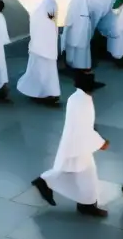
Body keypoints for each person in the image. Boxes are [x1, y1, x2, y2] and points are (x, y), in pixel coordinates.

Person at [31, 73, 110, 217]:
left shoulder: (76, 97)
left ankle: (84, 203)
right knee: (85, 174)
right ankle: (85, 204)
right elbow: (84, 128)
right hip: (79, 144)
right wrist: (101, 143)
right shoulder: (83, 102)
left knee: (75, 171)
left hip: (76, 143)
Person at [17, 0, 61, 106]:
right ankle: (52, 93)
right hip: (49, 45)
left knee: (39, 70)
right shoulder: (53, 3)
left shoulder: (41, 6)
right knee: (49, 72)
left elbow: (36, 23)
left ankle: (41, 93)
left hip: (40, 46)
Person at [63, 0, 93, 71]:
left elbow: (70, 11)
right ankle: (83, 66)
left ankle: (73, 64)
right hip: (84, 23)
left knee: (74, 44)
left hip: (75, 23)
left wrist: (68, 24)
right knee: (83, 46)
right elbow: (91, 9)